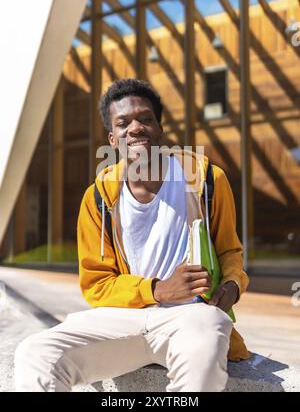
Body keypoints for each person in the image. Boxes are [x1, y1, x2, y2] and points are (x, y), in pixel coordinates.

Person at [14, 79, 250, 392]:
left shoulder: (206, 179)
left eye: (145, 118)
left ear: (160, 129)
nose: (136, 128)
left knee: (208, 338)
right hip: (122, 319)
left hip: (191, 316)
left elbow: (229, 252)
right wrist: (159, 290)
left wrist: (232, 286)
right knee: (35, 353)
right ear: (113, 138)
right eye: (124, 122)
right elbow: (96, 284)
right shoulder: (98, 197)